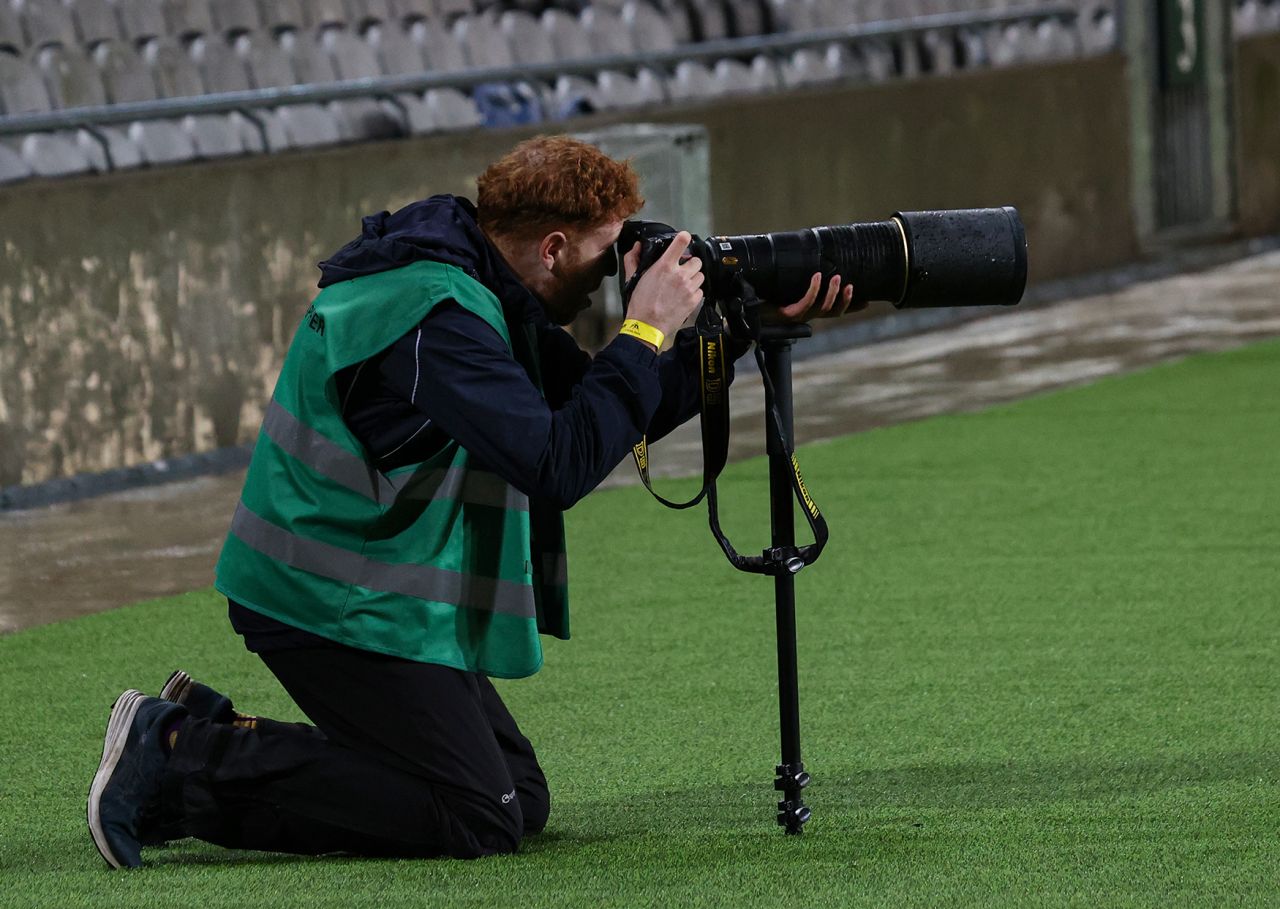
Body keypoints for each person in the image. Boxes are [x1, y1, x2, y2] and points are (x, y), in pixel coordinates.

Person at [86, 135, 855, 869]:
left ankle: (217, 739)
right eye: (603, 251)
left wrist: (745, 328)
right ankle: (182, 752)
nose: (612, 273)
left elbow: (597, 410)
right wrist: (644, 328)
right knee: (475, 815)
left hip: (374, 595)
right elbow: (557, 464)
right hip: (320, 601)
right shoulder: (434, 317)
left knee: (517, 801)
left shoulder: (479, 282)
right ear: (552, 247)